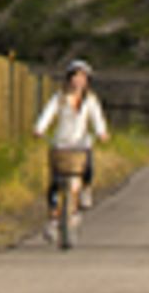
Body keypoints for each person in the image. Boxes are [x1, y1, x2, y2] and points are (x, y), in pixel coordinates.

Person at [34, 56, 110, 231]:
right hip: (61, 143)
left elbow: (97, 118)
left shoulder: (90, 100)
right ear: (69, 79)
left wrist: (101, 132)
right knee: (54, 182)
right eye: (75, 77)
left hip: (80, 143)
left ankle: (84, 192)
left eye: (82, 77)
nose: (78, 81)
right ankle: (53, 216)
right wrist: (39, 128)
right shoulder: (59, 98)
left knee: (87, 168)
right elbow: (48, 113)